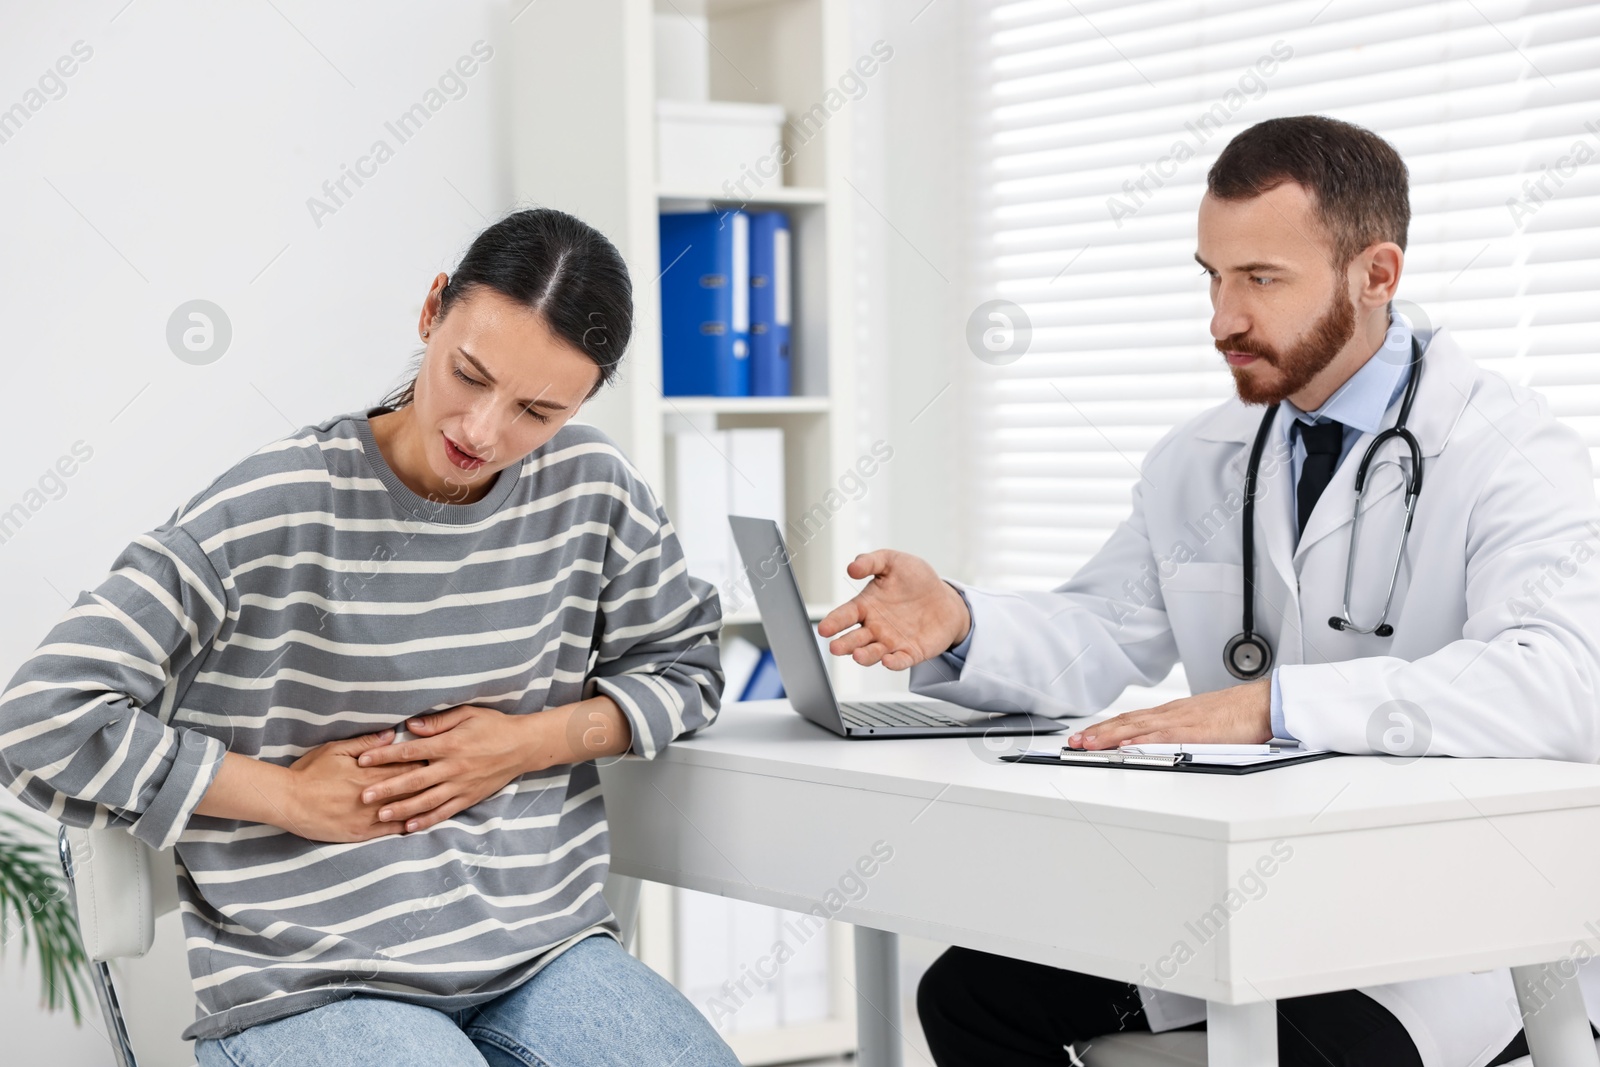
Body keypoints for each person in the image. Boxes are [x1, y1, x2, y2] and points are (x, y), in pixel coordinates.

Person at [818, 116, 1600, 1067]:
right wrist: (962, 620)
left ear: (1377, 275)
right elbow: (1103, 629)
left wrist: (1272, 707)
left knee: (1316, 1050)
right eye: (1213, 276)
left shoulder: (1509, 450)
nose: (1223, 318)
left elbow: (1564, 680)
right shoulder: (1202, 459)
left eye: (1261, 279)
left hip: (1449, 915)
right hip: (1254, 891)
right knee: (969, 996)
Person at [0, 208, 741, 1067]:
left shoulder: (593, 488)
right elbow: (41, 717)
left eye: (538, 411)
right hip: (316, 977)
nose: (483, 431)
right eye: (469, 375)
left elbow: (687, 666)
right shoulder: (274, 505)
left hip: (543, 950)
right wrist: (284, 795)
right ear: (433, 311)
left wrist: (522, 743)